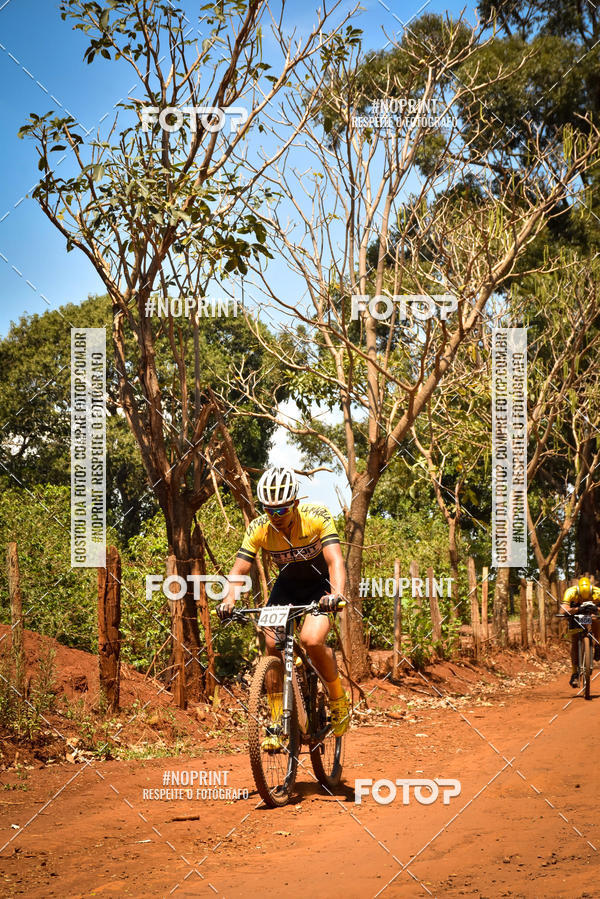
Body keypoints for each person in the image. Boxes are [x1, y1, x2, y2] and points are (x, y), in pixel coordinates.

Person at [217, 465, 351, 750]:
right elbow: (239, 569)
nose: (275, 517)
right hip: (287, 587)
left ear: (296, 504)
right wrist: (229, 599)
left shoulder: (316, 517)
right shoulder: (258, 529)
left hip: (320, 587)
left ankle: (338, 698)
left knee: (311, 640)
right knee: (271, 643)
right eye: (269, 510)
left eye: (282, 510)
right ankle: (278, 722)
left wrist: (336, 594)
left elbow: (335, 561)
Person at [560, 575, 600, 687]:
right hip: (577, 613)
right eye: (582, 598)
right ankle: (574, 673)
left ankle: (597, 645)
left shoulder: (598, 593)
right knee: (574, 640)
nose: (584, 600)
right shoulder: (571, 592)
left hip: (592, 612)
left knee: (595, 620)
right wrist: (577, 609)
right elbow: (563, 610)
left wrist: (596, 609)